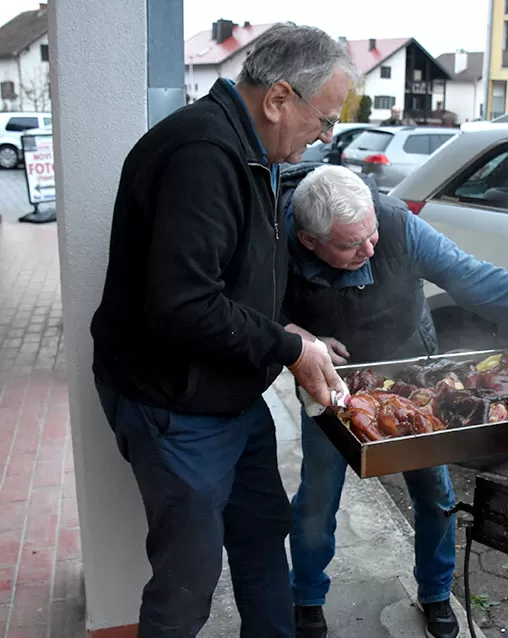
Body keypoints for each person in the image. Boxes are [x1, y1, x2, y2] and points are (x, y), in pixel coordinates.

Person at [88, 24, 360, 638]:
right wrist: (287, 346)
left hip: (231, 397)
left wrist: (284, 329)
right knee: (188, 583)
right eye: (324, 119)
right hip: (175, 404)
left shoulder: (248, 149)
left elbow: (226, 283)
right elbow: (182, 303)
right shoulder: (204, 154)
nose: (327, 134)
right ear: (278, 99)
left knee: (264, 536)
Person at [280, 164, 508, 638]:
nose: (368, 252)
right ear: (308, 240)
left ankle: (436, 593)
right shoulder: (274, 241)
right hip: (327, 372)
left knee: (435, 490)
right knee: (318, 496)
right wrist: (293, 336)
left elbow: (471, 277)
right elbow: (247, 307)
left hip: (409, 363)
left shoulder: (398, 226)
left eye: (370, 236)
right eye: (348, 245)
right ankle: (306, 598)